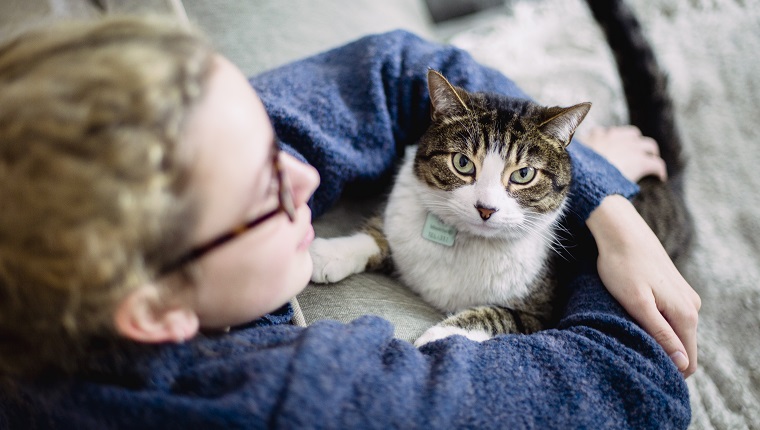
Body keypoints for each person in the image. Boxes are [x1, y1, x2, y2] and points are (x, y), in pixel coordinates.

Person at [0, 16, 699, 429]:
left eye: (273, 149)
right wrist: (605, 209)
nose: (305, 179)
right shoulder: (304, 403)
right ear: (154, 310)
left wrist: (602, 203)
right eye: (263, 193)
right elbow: (637, 384)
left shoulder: (159, 155)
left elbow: (394, 64)